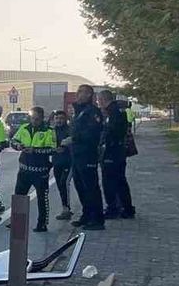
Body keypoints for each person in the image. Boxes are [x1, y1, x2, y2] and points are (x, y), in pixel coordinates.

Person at [12, 106, 58, 232]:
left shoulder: (49, 131)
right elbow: (13, 140)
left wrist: (35, 150)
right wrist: (18, 145)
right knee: (19, 197)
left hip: (40, 171)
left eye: (37, 119)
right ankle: (16, 222)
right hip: (24, 170)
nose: (34, 121)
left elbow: (52, 149)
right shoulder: (24, 128)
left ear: (42, 118)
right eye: (32, 118)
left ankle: (42, 223)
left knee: (42, 198)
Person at [69, 84, 106, 230]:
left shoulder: (92, 111)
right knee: (80, 186)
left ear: (89, 94)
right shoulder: (80, 111)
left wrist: (75, 138)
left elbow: (93, 133)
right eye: (77, 92)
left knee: (91, 186)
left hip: (87, 154)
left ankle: (97, 219)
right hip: (77, 154)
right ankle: (86, 215)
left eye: (81, 92)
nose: (77, 94)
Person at [99, 90, 136, 219]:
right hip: (118, 151)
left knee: (110, 181)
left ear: (103, 99)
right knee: (120, 181)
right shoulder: (118, 111)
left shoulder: (113, 112)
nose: (99, 104)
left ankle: (113, 208)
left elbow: (111, 132)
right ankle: (126, 208)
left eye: (99, 101)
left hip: (112, 152)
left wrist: (103, 143)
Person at [50, 109, 74, 220]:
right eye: (57, 118)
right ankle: (65, 207)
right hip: (56, 162)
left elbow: (73, 140)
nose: (59, 121)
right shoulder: (51, 131)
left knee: (64, 183)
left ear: (65, 120)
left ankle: (66, 209)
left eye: (61, 118)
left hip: (68, 162)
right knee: (60, 185)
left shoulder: (69, 130)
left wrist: (66, 143)